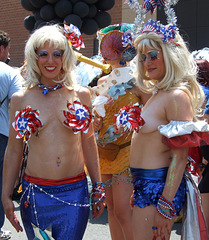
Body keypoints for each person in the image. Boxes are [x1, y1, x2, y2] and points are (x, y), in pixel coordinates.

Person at [2, 24, 105, 240]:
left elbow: (88, 143)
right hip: (36, 195)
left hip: (74, 194)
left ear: (65, 56)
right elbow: (14, 150)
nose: (51, 61)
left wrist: (98, 186)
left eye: (57, 54)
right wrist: (5, 194)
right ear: (34, 57)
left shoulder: (82, 95)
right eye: (44, 54)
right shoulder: (21, 99)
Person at [128, 18, 208, 240]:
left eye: (153, 55)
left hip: (158, 189)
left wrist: (165, 204)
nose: (147, 62)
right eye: (143, 57)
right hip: (145, 185)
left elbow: (180, 157)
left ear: (171, 55)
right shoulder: (158, 93)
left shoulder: (176, 96)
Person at [92, 24, 150, 240]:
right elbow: (96, 120)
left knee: (125, 212)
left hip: (128, 150)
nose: (108, 54)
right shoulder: (101, 83)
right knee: (113, 211)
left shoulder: (139, 83)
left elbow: (149, 118)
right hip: (104, 151)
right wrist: (95, 123)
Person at [0, 30, 22, 240]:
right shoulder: (9, 72)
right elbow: (19, 103)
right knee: (1, 182)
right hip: (1, 135)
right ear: (1, 48)